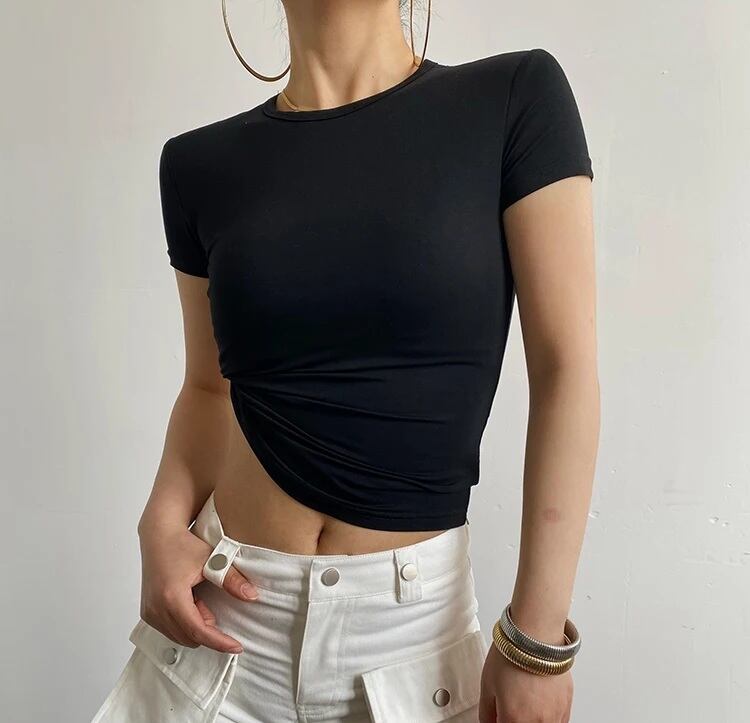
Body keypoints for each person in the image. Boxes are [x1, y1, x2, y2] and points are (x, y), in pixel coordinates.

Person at [91, 0, 599, 721]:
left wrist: (536, 641)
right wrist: (160, 520)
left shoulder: (513, 100)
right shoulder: (198, 164)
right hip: (222, 628)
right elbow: (209, 386)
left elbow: (565, 370)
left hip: (409, 644)